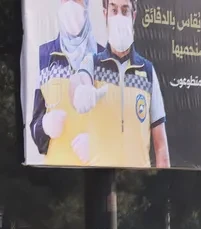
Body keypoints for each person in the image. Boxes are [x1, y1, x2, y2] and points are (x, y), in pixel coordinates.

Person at [84, 0, 171, 168]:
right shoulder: (91, 64)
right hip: (100, 183)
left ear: (134, 16)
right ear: (105, 14)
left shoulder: (147, 71)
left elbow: (160, 146)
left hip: (139, 185)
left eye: (125, 11)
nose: (119, 17)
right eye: (114, 10)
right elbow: (76, 90)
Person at [30, 0, 103, 166]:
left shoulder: (104, 59)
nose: (70, 4)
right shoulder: (44, 56)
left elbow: (118, 125)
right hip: (55, 175)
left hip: (94, 172)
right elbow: (35, 127)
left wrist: (98, 145)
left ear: (86, 5)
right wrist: (45, 126)